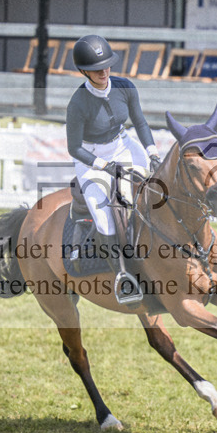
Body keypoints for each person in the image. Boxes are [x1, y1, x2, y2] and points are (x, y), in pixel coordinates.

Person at [66, 34, 162, 303]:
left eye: (107, 65)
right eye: (97, 69)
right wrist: (103, 166)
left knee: (156, 187)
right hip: (91, 157)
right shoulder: (77, 104)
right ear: (84, 71)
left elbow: (140, 123)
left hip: (123, 144)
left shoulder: (125, 87)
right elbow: (74, 149)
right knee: (105, 215)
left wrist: (152, 152)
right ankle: (123, 276)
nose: (104, 71)